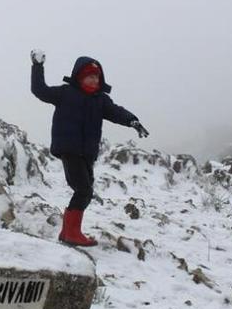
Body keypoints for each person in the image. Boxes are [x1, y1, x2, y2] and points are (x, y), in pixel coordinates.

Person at [30, 49, 149, 247]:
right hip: (69, 148)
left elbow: (116, 112)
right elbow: (39, 90)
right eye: (90, 76)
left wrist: (132, 121)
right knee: (83, 189)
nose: (94, 80)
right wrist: (37, 66)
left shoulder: (100, 100)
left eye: (97, 77)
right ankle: (71, 233)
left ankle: (68, 231)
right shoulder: (65, 93)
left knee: (86, 190)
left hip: (87, 152)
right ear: (79, 76)